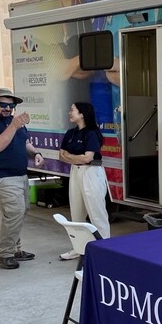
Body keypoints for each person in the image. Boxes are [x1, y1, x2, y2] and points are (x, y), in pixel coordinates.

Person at [0, 87, 45, 269]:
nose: (7, 108)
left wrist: (35, 153)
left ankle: (15, 249)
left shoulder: (14, 121)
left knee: (20, 212)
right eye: (3, 104)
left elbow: (25, 142)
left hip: (19, 174)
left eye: (11, 105)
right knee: (14, 212)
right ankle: (5, 253)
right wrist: (14, 125)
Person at [58, 102, 110, 260]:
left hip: (91, 173)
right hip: (75, 172)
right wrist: (77, 159)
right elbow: (61, 155)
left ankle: (106, 249)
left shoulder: (92, 133)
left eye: (72, 110)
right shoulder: (70, 133)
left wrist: (71, 157)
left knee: (97, 213)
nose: (70, 113)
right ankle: (79, 248)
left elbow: (88, 158)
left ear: (82, 114)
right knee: (76, 212)